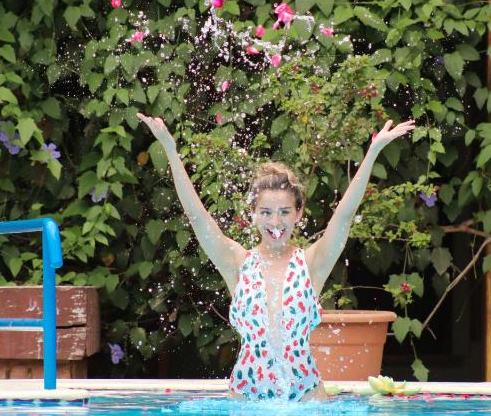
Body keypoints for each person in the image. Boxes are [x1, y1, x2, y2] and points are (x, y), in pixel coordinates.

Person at [137, 112, 416, 400]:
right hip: (247, 399)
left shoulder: (311, 264)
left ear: (299, 213)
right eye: (266, 212)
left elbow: (344, 217)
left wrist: (373, 152)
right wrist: (170, 150)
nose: (275, 222)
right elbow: (196, 217)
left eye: (284, 212)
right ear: (253, 213)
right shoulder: (237, 263)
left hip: (305, 398)